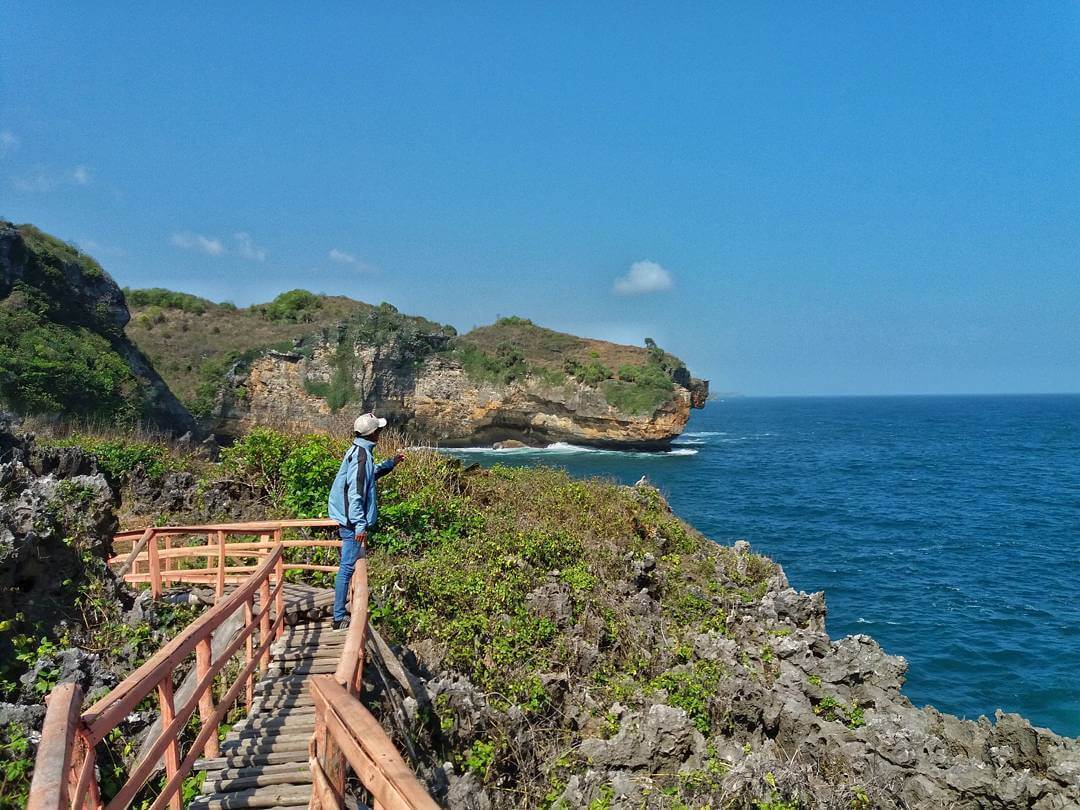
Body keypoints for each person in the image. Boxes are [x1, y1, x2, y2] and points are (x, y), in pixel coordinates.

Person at [327, 412, 404, 630]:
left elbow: (368, 476)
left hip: (350, 519)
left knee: (347, 566)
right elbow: (356, 493)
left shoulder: (360, 452)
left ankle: (339, 613)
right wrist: (360, 525)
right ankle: (339, 616)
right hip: (352, 523)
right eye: (379, 430)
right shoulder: (361, 456)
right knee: (347, 568)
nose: (381, 433)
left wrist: (390, 464)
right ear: (373, 434)